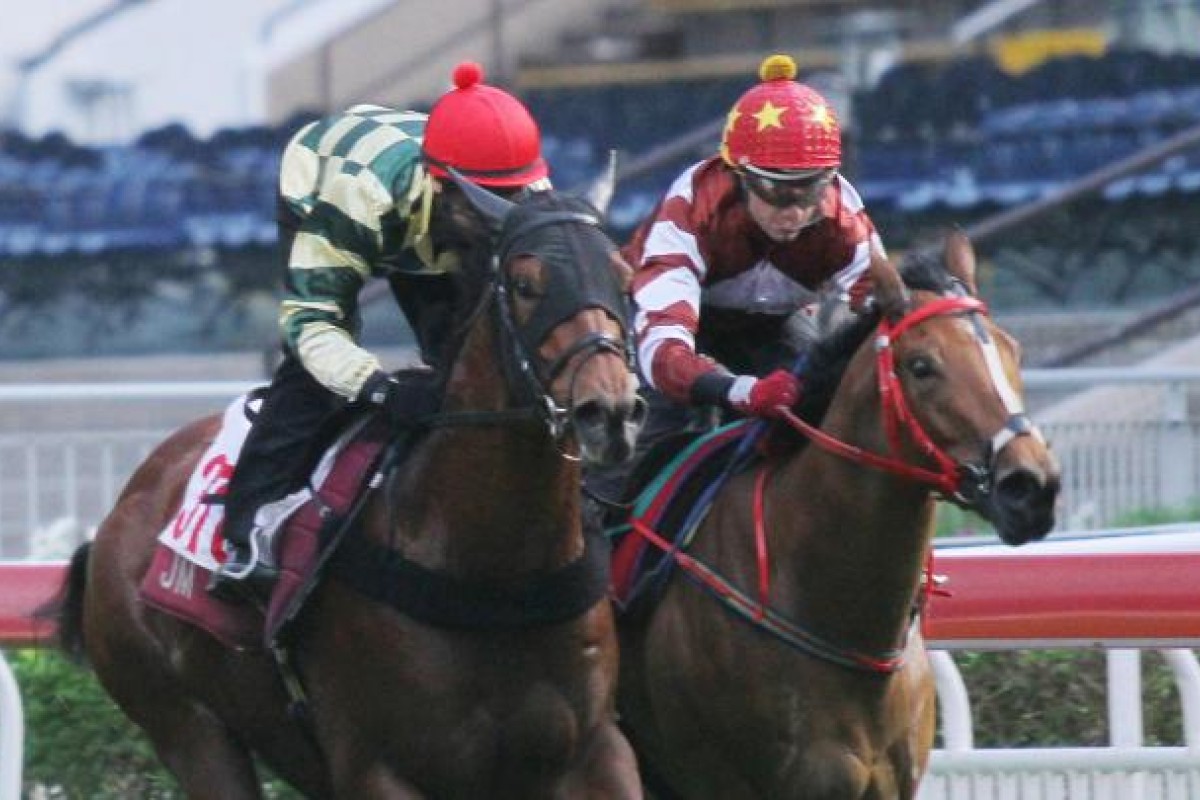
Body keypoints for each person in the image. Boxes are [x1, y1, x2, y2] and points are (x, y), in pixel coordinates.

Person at [210, 61, 552, 598]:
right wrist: (379, 388)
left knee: (462, 355)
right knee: (313, 376)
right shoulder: (356, 197)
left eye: (508, 199)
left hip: (424, 211)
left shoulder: (522, 194)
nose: (499, 216)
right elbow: (312, 323)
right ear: (443, 185)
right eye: (485, 201)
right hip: (329, 177)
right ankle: (245, 528)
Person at [618, 53, 882, 461]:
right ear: (738, 177)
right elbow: (662, 352)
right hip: (675, 325)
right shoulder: (693, 210)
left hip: (773, 325)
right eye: (777, 192)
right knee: (646, 441)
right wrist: (741, 391)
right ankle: (606, 518)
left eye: (811, 191)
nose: (795, 212)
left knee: (820, 412)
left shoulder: (844, 221)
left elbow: (887, 316)